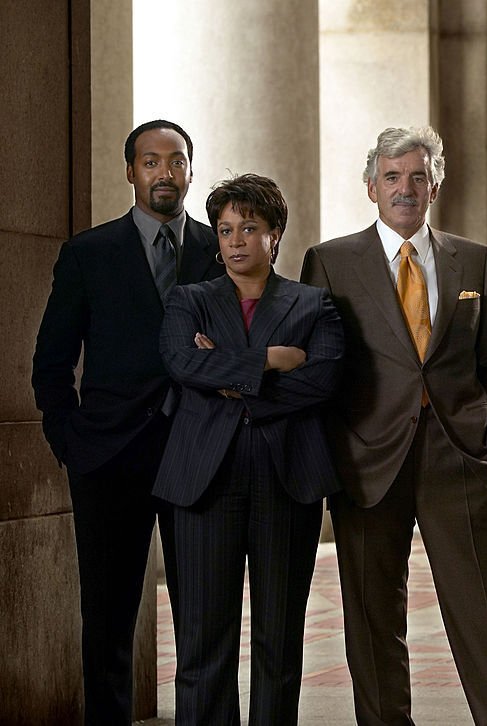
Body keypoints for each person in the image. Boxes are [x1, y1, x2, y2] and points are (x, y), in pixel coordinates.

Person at [300, 126, 487, 725]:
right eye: (392, 177)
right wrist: (328, 460)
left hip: (459, 454)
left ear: (436, 183)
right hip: (366, 462)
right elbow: (317, 371)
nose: (405, 188)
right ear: (371, 186)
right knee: (373, 618)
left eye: (417, 176)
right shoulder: (330, 262)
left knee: (484, 612)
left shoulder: (473, 259)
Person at [31, 120, 220, 725]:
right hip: (108, 458)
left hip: (198, 452)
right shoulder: (88, 253)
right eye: (150, 162)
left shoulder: (221, 250)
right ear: (130, 171)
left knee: (203, 611)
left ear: (190, 170)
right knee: (108, 615)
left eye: (176, 161)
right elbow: (52, 361)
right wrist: (70, 440)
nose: (164, 172)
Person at [151, 173, 343, 726]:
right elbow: (184, 364)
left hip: (289, 480)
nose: (235, 241)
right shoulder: (189, 300)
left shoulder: (315, 305)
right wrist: (273, 359)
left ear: (275, 235)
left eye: (249, 228)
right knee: (203, 637)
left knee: (279, 638)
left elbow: (323, 381)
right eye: (226, 229)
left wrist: (229, 374)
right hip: (202, 480)